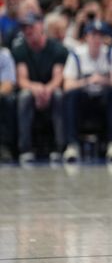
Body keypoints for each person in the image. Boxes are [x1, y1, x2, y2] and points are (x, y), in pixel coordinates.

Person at [12, 12, 69, 163]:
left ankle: (60, 147)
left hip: (50, 89)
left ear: (40, 26)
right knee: (24, 96)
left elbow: (58, 78)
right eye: (24, 28)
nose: (28, 31)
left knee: (58, 95)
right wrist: (36, 88)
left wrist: (46, 90)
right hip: (32, 91)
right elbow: (22, 79)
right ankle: (25, 149)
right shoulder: (20, 49)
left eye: (31, 26)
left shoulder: (57, 49)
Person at [62, 20, 112, 162]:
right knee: (71, 96)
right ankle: (72, 145)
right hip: (84, 99)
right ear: (86, 37)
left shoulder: (111, 53)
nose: (97, 39)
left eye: (100, 36)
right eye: (93, 35)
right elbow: (67, 85)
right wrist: (87, 81)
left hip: (103, 99)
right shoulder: (76, 54)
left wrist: (103, 80)